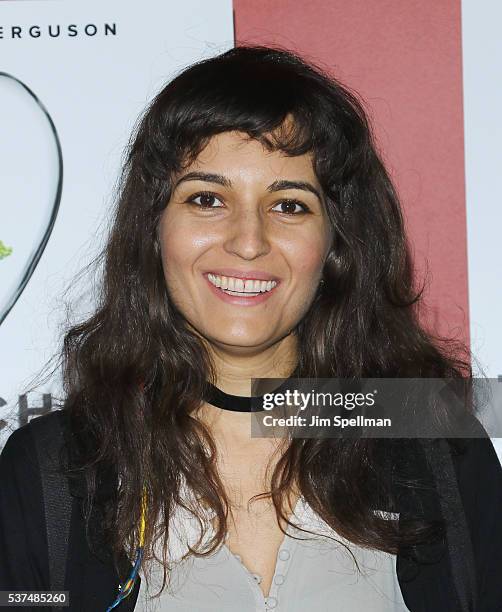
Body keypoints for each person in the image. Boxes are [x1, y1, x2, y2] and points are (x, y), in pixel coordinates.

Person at [1, 44, 501, 612]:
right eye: (207, 198)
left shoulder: (435, 446)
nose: (248, 241)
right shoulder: (52, 472)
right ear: (154, 230)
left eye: (288, 205)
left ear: (337, 244)